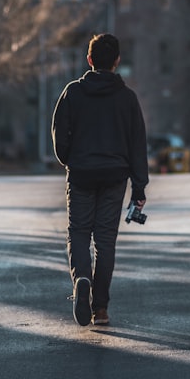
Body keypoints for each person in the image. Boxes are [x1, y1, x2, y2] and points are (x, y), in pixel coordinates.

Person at [51, 33, 149, 327]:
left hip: (81, 174)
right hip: (114, 177)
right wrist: (139, 187)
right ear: (117, 61)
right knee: (105, 242)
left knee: (79, 233)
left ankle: (82, 276)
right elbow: (137, 145)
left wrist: (70, 160)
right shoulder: (127, 99)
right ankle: (101, 309)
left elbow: (59, 136)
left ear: (89, 60)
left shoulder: (72, 93)